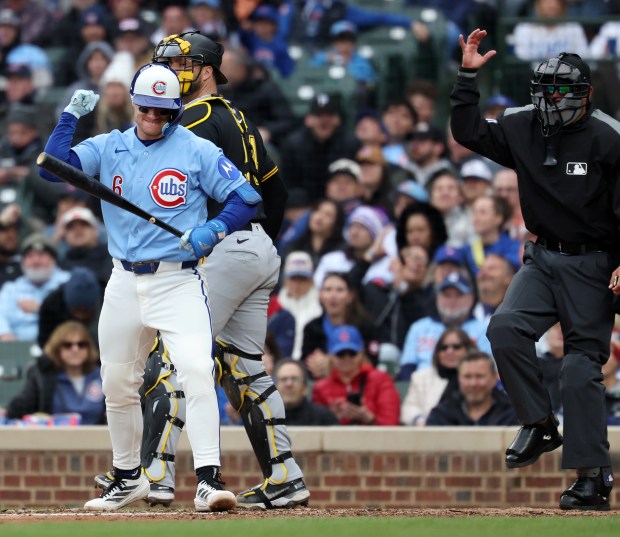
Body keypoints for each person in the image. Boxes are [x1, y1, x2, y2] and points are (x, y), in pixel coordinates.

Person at [40, 62, 261, 512]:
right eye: (147, 109)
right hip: (123, 280)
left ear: (176, 110)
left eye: (164, 112)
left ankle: (207, 479)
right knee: (117, 382)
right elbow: (51, 169)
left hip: (176, 280)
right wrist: (69, 117)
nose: (154, 119)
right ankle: (126, 477)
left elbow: (247, 197)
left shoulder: (195, 149)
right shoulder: (111, 145)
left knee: (197, 370)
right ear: (135, 105)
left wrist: (215, 229)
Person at [131, 32, 309, 510]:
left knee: (168, 356)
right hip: (257, 247)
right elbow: (277, 192)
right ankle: (284, 477)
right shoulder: (236, 117)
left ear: (206, 69)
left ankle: (155, 475)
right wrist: (250, 238)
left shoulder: (189, 119)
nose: (172, 70)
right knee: (243, 367)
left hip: (221, 252)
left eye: (181, 63)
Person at [452, 28, 619, 510]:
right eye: (546, 91)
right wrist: (467, 77)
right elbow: (467, 132)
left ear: (586, 94)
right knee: (504, 328)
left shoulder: (609, 137)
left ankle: (592, 478)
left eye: (563, 91)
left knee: (579, 366)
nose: (553, 100)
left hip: (595, 260)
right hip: (543, 256)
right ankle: (540, 424)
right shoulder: (523, 124)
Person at [6, 320, 105, 425]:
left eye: (82, 344)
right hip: (54, 439)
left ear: (89, 348)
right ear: (57, 348)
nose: (75, 349)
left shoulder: (102, 375)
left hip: (98, 438)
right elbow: (18, 408)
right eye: (67, 345)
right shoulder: (43, 376)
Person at [398, 271, 491, 380]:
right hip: (423, 388)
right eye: (446, 295)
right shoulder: (419, 327)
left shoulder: (485, 328)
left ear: (471, 299)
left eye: (458, 295)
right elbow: (407, 368)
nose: (452, 301)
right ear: (437, 298)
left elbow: (488, 368)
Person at [312, 325, 400, 425]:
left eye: (352, 353)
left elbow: (391, 424)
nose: (346, 358)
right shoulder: (320, 387)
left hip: (374, 439)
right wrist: (332, 417)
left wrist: (370, 419)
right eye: (340, 354)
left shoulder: (381, 379)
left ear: (361, 353)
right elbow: (316, 429)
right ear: (331, 355)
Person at [401, 327, 478, 426]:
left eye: (456, 347)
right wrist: (419, 420)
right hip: (430, 432)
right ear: (437, 352)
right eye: (443, 348)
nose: (449, 351)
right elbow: (409, 407)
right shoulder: (420, 377)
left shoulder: (480, 376)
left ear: (468, 349)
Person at [0, 233, 70, 342]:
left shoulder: (68, 283)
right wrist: (4, 333)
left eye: (41, 255)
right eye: (30, 256)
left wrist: (40, 309)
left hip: (61, 347)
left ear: (53, 259)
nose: (36, 261)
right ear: (22, 263)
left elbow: (76, 317)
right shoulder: (11, 289)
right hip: (18, 350)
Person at [426, 351, 518, 426]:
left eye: (479, 376)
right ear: (458, 379)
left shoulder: (514, 415)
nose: (473, 383)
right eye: (467, 377)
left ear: (494, 378)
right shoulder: (440, 415)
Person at [274, 359, 339, 426]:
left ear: (305, 388)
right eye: (283, 379)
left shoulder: (324, 418)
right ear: (275, 387)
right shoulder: (265, 419)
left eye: (294, 379)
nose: (289, 384)